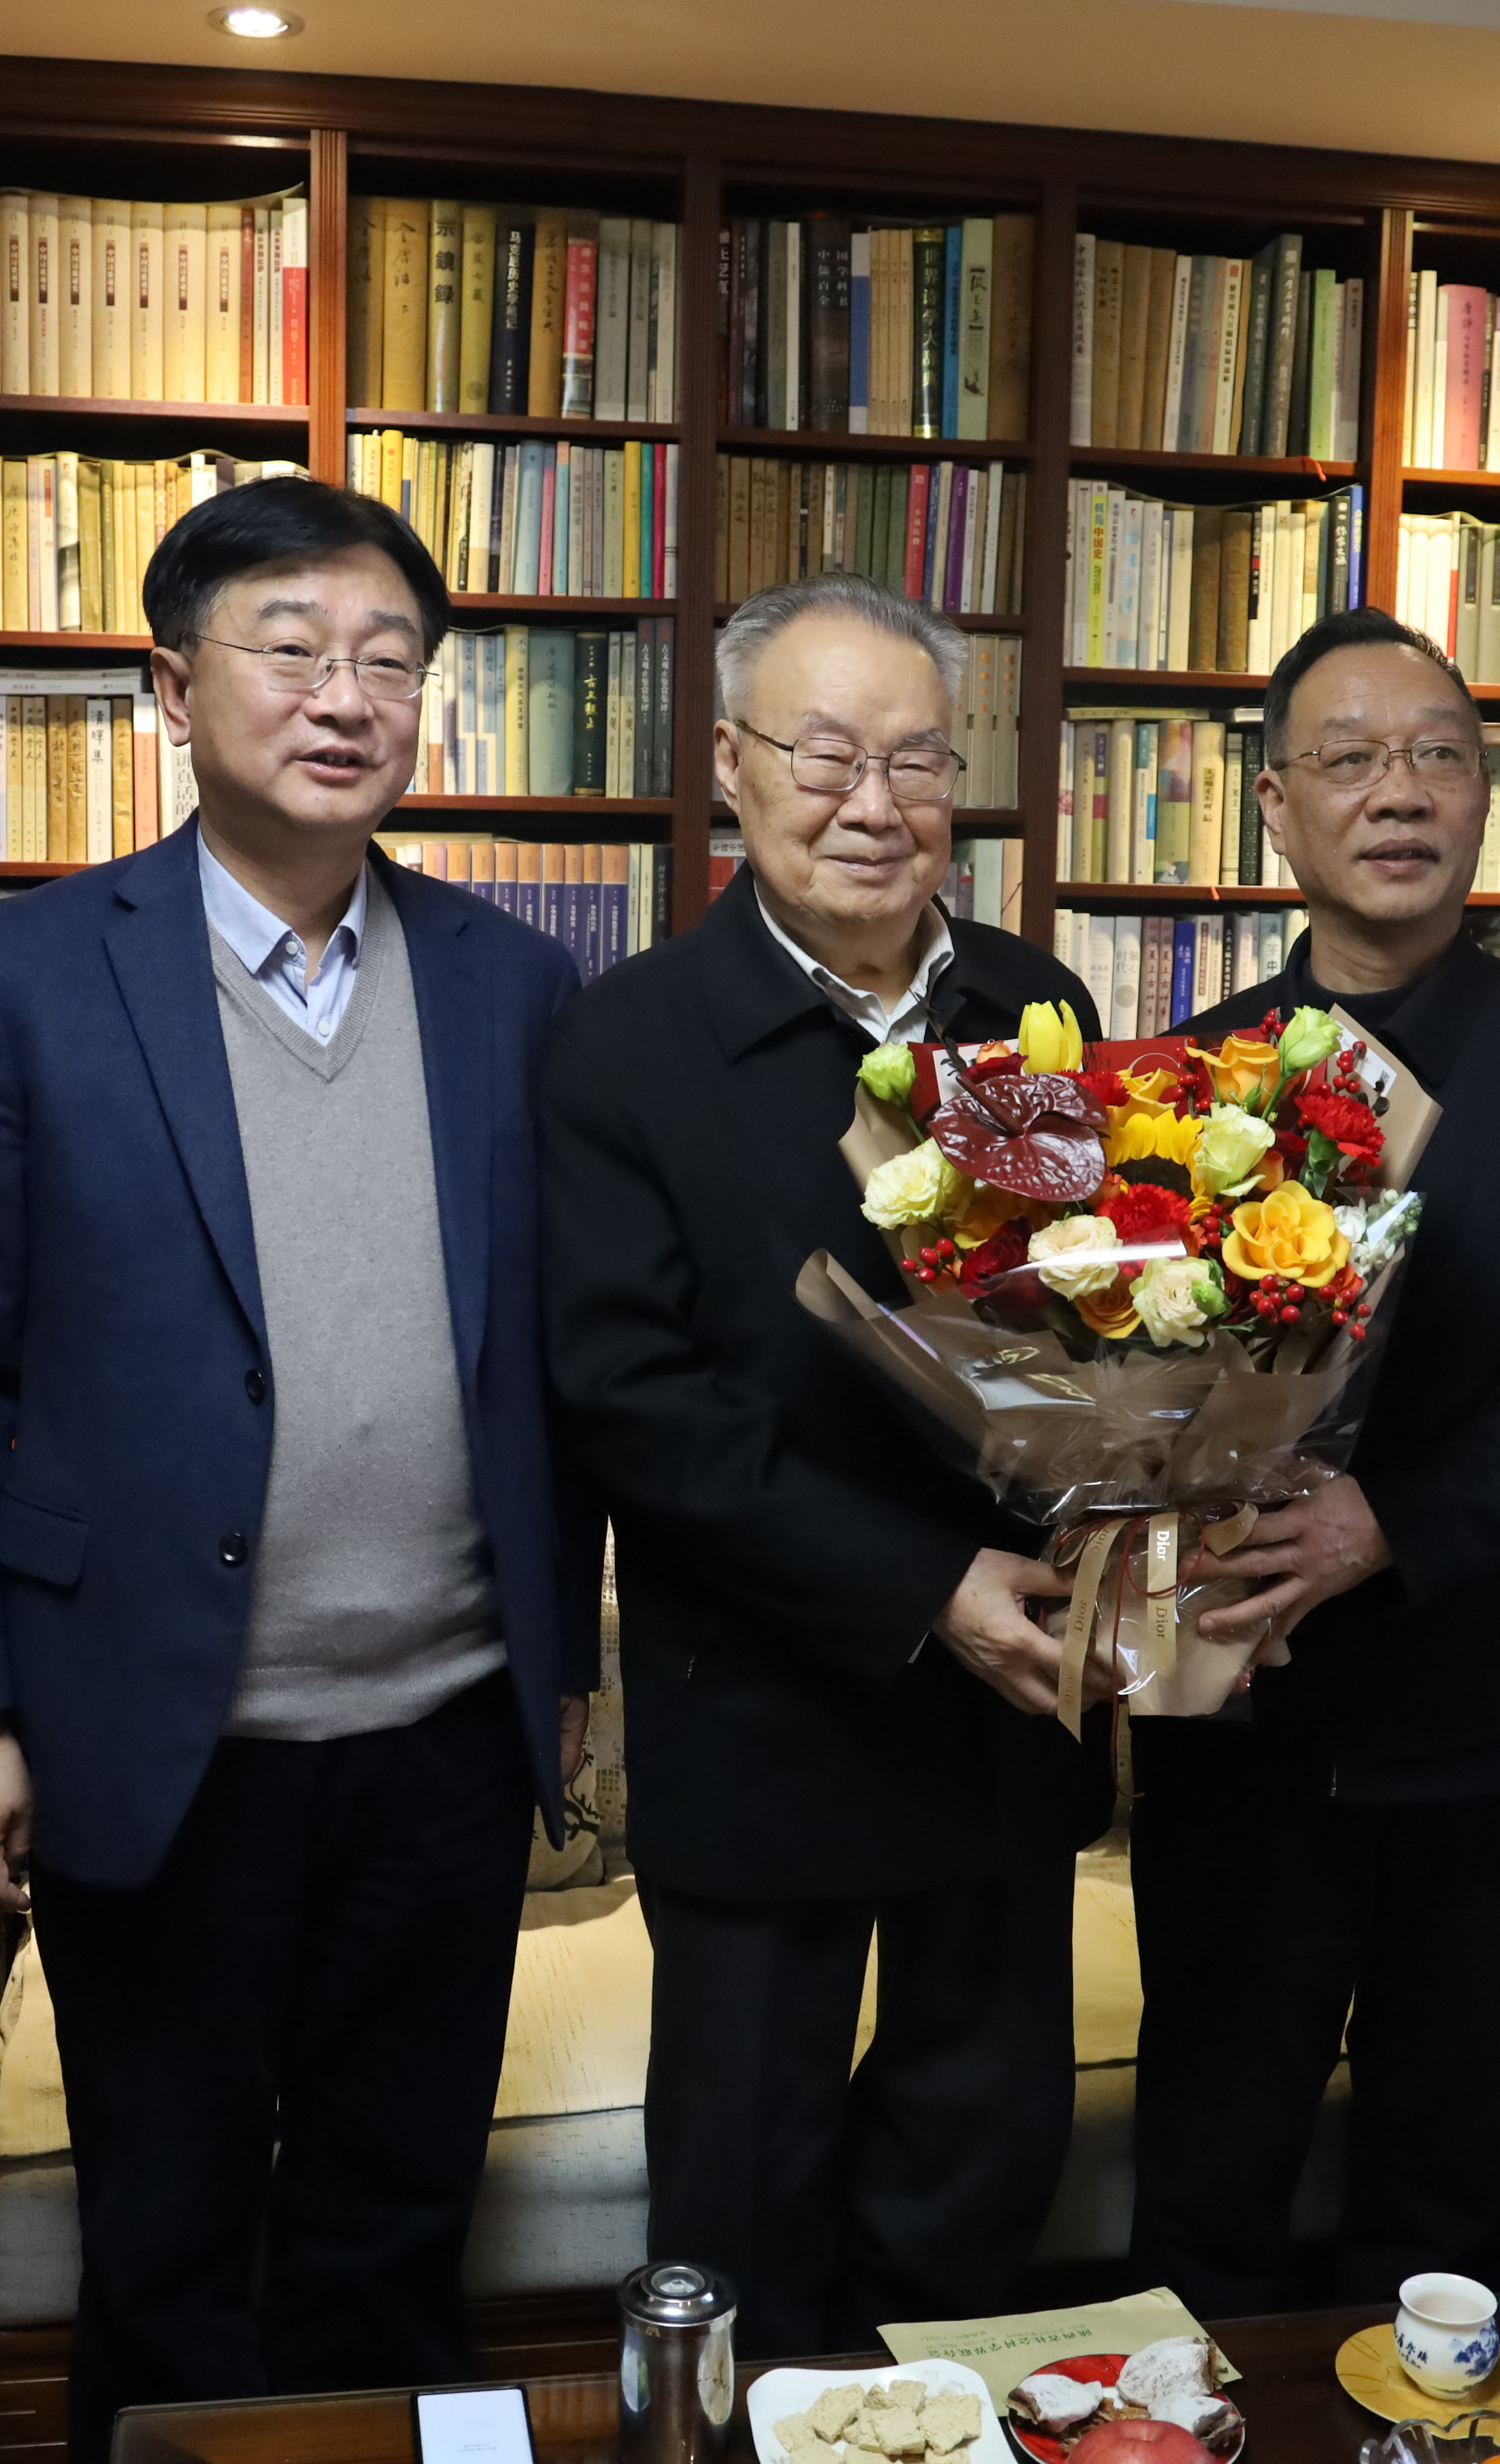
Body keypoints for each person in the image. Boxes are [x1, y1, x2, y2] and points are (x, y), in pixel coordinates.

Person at [0, 478, 592, 2451]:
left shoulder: (511, 982)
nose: (345, 696)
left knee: (395, 2228)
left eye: (389, 659)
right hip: (152, 1735)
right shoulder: (25, 976)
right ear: (171, 690)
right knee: (171, 2244)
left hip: (445, 1738)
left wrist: (562, 1672)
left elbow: (558, 1362)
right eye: (290, 648)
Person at [540, 572, 1107, 2359]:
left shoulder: (1033, 1009)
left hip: (1006, 1718)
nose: (875, 803)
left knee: (974, 2173)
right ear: (730, 764)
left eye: (918, 760)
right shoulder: (626, 1040)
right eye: (826, 754)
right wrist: (922, 1585)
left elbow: (1094, 1326)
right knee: (746, 2197)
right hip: (764, 1712)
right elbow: (632, 1398)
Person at [1126, 608, 1500, 2312]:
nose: (1401, 792)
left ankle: (1417, 2429)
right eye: (1353, 759)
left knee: (1446, 2185)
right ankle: (1182, 2423)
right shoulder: (1188, 1080)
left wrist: (1393, 1522)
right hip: (1246, 1727)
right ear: (1276, 807)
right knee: (1208, 2161)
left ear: (1481, 800)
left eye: (1440, 756)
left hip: (1499, 1727)